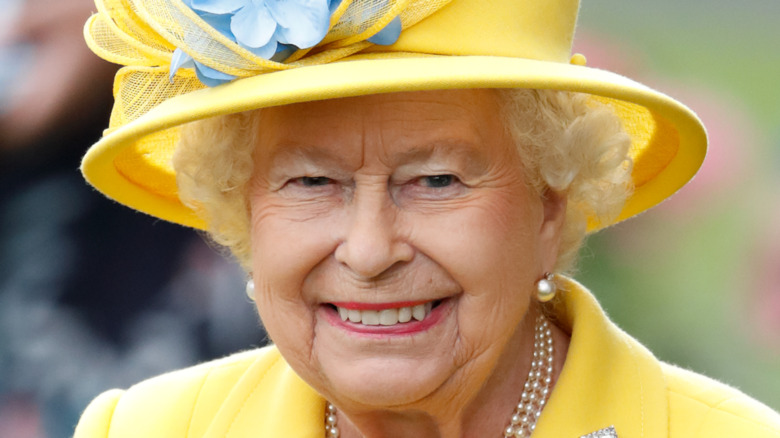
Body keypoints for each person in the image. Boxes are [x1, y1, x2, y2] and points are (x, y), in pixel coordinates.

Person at [73, 0, 780, 437]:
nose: (370, 249)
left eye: (436, 180)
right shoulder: (143, 431)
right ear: (243, 215)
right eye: (312, 182)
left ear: (550, 207)